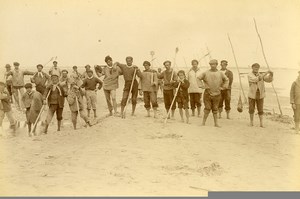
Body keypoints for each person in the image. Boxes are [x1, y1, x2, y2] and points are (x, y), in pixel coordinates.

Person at [198, 59, 229, 127]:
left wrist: (223, 87)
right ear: (210, 65)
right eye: (211, 64)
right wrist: (202, 86)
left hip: (217, 94)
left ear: (216, 65)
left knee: (215, 109)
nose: (212, 65)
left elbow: (226, 80)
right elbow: (198, 78)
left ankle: (216, 123)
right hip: (207, 94)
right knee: (207, 108)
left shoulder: (220, 73)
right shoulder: (206, 73)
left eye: (214, 64)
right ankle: (203, 123)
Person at [247, 63, 273, 127]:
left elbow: (269, 80)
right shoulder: (249, 75)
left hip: (260, 94)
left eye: (257, 68)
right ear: (252, 68)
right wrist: (266, 72)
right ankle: (251, 122)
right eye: (255, 67)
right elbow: (256, 79)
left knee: (260, 109)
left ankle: (261, 123)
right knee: (251, 109)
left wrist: (271, 74)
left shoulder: (261, 74)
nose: (256, 69)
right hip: (252, 94)